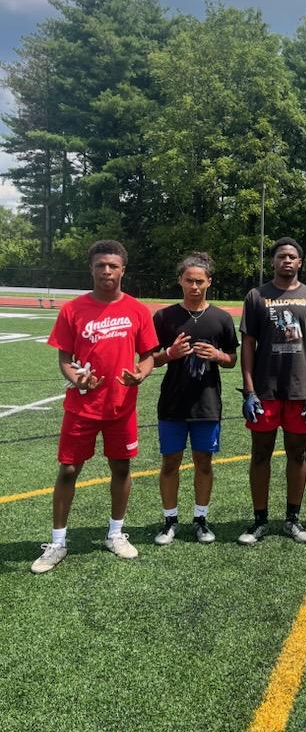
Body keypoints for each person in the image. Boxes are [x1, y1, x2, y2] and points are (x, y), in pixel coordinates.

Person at [31, 240, 157, 573]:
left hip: (121, 406)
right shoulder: (73, 310)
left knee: (121, 468)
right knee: (69, 469)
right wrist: (77, 378)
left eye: (113, 266)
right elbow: (64, 358)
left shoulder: (137, 310)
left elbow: (148, 356)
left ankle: (115, 533)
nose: (106, 271)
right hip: (81, 407)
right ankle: (57, 542)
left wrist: (140, 375)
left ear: (122, 270)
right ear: (91, 268)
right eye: (100, 265)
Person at [238, 237, 306, 544]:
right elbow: (248, 345)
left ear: (300, 262)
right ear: (273, 261)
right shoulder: (256, 296)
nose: (286, 260)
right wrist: (250, 390)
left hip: (300, 392)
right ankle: (259, 520)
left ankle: (293, 519)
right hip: (265, 390)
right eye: (281, 256)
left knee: (298, 454)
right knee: (260, 453)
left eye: (292, 256)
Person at [152, 252, 239, 546]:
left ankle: (201, 519)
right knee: (170, 462)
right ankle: (170, 520)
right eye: (189, 280)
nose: (194, 286)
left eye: (200, 281)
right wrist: (168, 354)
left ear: (209, 282)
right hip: (172, 403)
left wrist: (218, 356)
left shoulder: (222, 318)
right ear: (180, 281)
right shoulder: (164, 317)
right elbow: (151, 358)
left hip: (207, 403)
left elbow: (232, 360)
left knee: (204, 462)